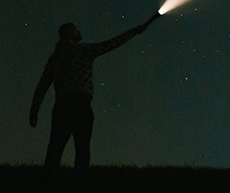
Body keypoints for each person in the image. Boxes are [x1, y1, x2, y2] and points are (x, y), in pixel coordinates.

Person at [30, 12, 160, 168]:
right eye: (76, 29)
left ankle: (46, 181)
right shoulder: (83, 50)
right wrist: (134, 32)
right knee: (82, 149)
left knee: (55, 148)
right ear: (70, 33)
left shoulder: (55, 58)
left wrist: (34, 111)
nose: (79, 31)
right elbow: (111, 44)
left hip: (62, 106)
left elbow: (42, 85)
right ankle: (80, 181)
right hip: (81, 105)